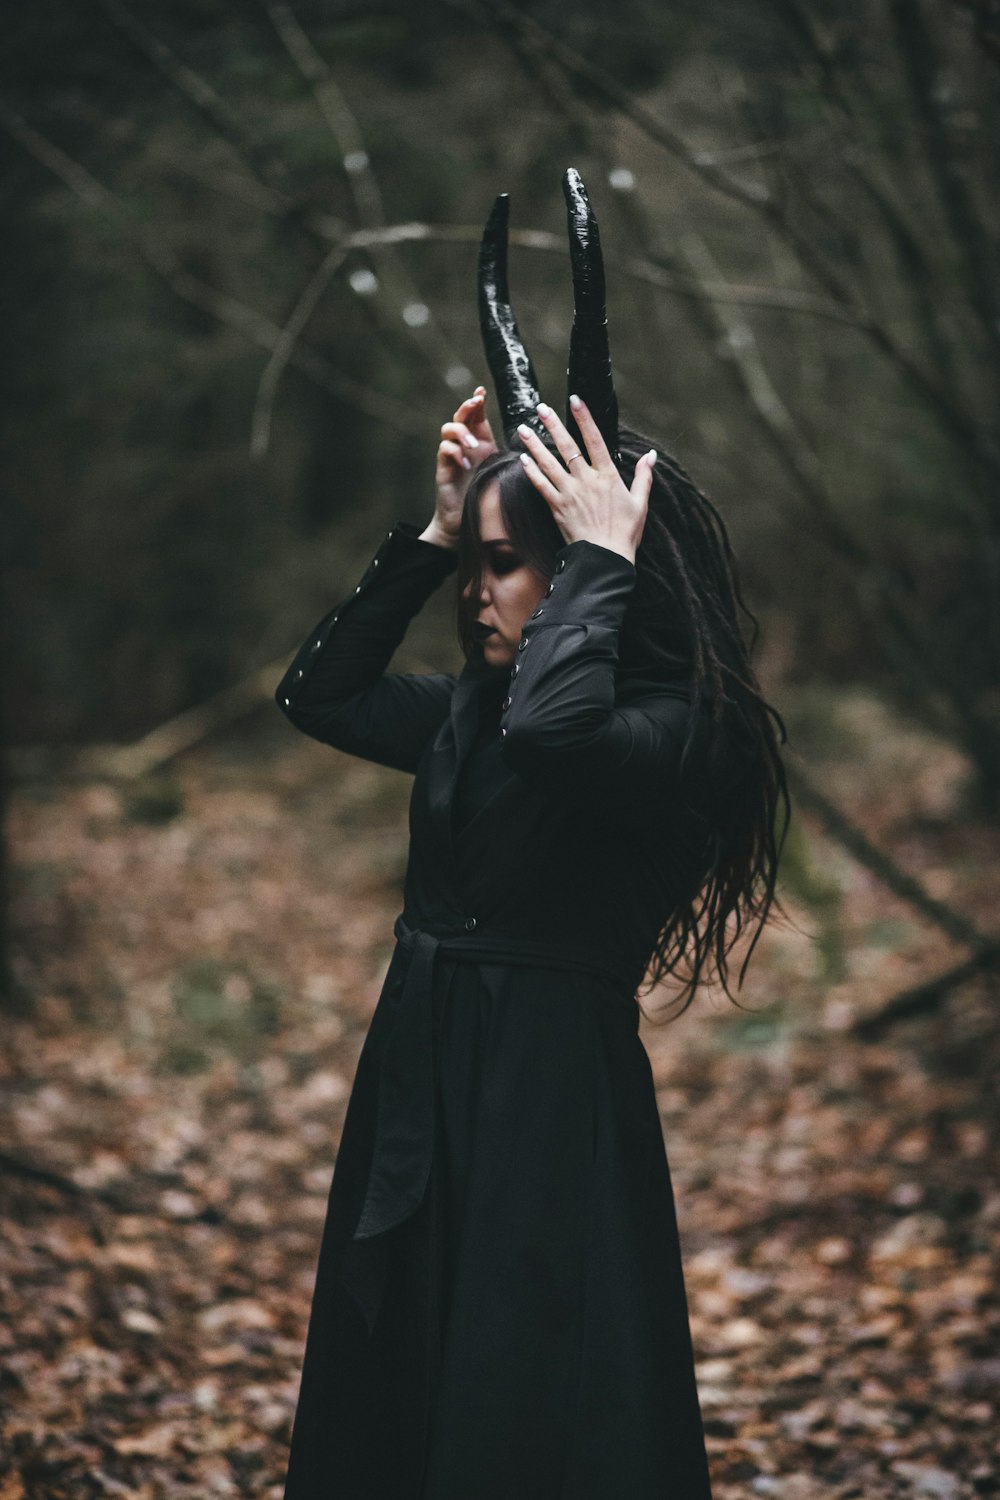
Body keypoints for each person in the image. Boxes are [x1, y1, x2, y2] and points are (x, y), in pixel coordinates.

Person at [275, 170, 788, 1500]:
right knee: (407, 1372)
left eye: (508, 563)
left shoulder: (685, 730)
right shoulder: (472, 711)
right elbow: (315, 695)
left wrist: (605, 565)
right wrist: (433, 534)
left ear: (586, 564)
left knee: (534, 1386)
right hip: (426, 1071)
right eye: (477, 566)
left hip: (551, 1103)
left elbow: (561, 738)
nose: (478, 594)